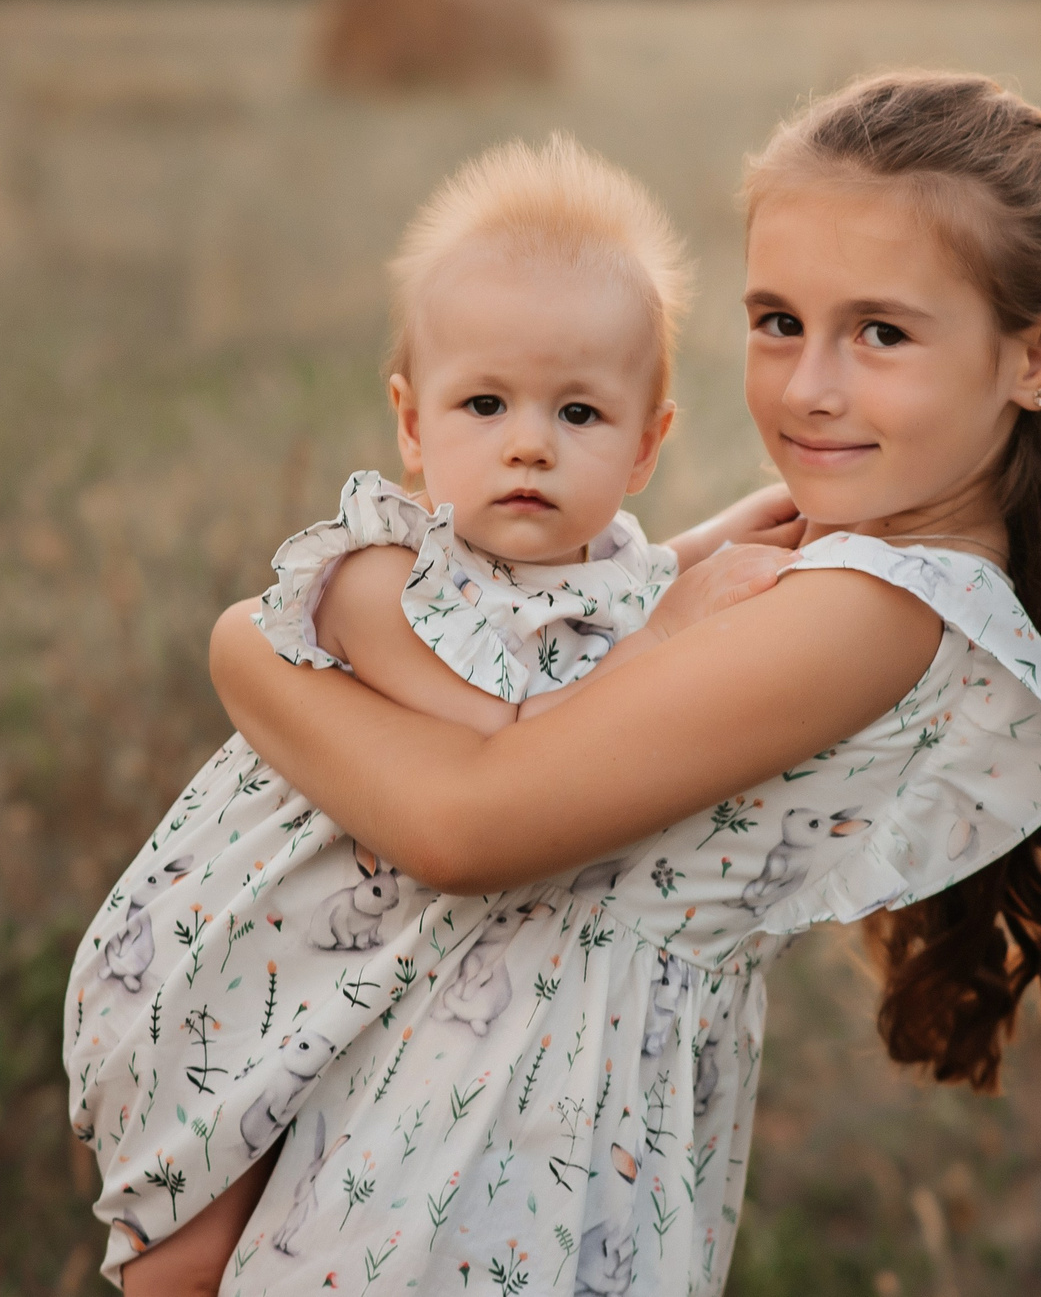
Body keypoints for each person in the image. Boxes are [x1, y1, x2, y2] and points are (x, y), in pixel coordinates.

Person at [202, 73, 1041, 1295]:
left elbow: (460, 821)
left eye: (882, 332)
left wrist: (246, 646)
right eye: (775, 319)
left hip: (510, 1152)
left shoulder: (870, 611)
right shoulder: (829, 535)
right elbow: (560, 636)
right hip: (477, 1090)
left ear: (1040, 353)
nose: (808, 385)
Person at [64, 136, 799, 1294]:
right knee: (187, 1252)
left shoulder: (609, 569)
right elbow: (516, 737)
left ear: (648, 444)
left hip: (411, 965)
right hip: (271, 951)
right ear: (411, 424)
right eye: (485, 402)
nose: (527, 442)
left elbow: (646, 586)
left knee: (330, 1200)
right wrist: (670, 631)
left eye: (579, 413)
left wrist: (749, 529)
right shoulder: (376, 576)